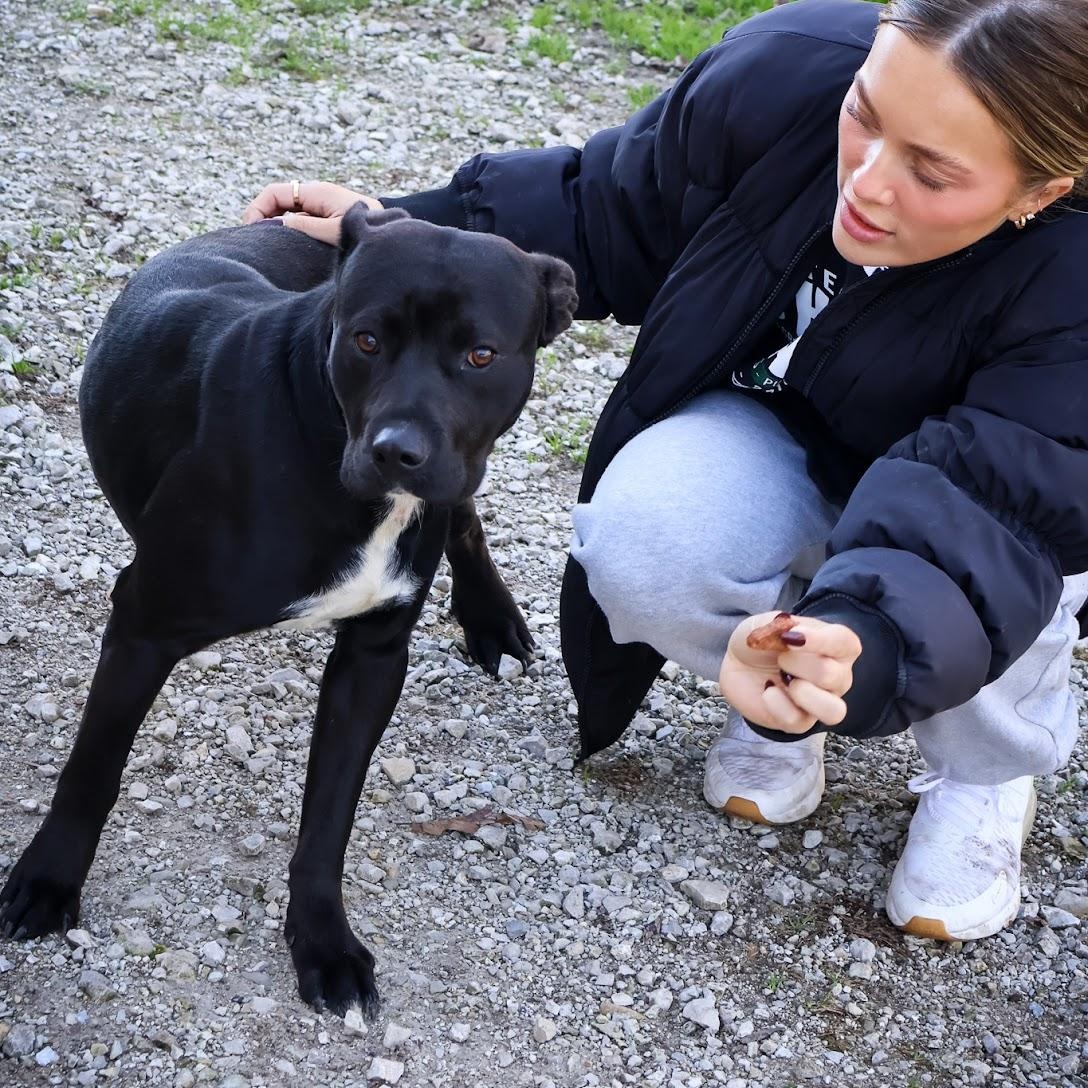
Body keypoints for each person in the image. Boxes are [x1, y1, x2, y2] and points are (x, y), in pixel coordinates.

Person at [243, 0, 1088, 941]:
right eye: (865, 112)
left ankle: (986, 769)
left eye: (929, 169)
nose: (867, 179)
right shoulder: (787, 68)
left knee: (1017, 574)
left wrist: (874, 639)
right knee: (645, 542)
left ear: (1040, 192)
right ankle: (787, 689)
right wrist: (393, 230)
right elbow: (615, 207)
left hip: (996, 506)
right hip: (791, 427)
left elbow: (998, 507)